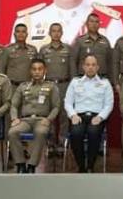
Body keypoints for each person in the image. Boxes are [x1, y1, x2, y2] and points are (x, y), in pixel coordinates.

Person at [8, 59, 61, 173]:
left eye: (40, 69)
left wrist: (49, 119)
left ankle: (32, 164)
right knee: (12, 132)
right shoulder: (23, 86)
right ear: (30, 71)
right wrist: (14, 118)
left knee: (40, 132)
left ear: (45, 70)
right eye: (34, 69)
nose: (37, 72)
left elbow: (56, 107)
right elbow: (14, 105)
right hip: (25, 120)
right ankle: (20, 163)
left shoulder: (51, 86)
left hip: (42, 120)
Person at [65, 54, 114, 173]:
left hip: (96, 116)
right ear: (83, 67)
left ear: (97, 67)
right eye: (88, 65)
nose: (90, 67)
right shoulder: (75, 82)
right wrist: (73, 115)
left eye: (93, 65)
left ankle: (90, 166)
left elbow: (109, 104)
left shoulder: (105, 83)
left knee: (93, 133)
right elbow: (68, 102)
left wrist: (100, 117)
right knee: (76, 134)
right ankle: (81, 166)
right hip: (79, 116)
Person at [38, 23, 77, 155]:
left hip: (64, 85)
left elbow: (72, 70)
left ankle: (61, 143)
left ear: (62, 33)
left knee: (64, 115)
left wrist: (73, 87)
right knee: (49, 114)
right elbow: (39, 69)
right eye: (53, 31)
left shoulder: (68, 49)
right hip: (48, 85)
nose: (56, 33)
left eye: (58, 31)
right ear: (49, 33)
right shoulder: (43, 50)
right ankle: (50, 143)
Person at [71, 14, 115, 79]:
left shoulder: (105, 41)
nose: (94, 24)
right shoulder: (80, 41)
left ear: (99, 24)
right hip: (84, 79)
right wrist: (75, 80)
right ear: (87, 24)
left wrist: (112, 80)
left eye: (96, 22)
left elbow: (110, 62)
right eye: (91, 21)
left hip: (102, 79)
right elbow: (73, 62)